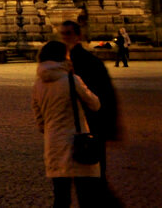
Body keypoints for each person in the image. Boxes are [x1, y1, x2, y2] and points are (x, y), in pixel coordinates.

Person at [32, 40, 105, 207]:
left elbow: (39, 122)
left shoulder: (38, 84)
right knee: (85, 196)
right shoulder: (71, 80)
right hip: (77, 143)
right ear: (63, 57)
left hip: (54, 143)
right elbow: (95, 104)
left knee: (61, 197)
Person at [59, 19, 121, 192]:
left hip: (91, 130)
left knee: (94, 183)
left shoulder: (87, 62)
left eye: (68, 34)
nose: (64, 38)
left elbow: (105, 97)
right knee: (89, 184)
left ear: (78, 36)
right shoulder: (63, 64)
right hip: (73, 132)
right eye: (62, 34)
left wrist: (109, 128)